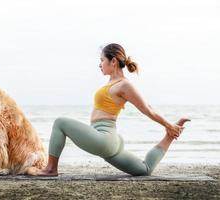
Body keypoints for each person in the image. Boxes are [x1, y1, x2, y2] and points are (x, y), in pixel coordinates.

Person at [36, 43, 190, 176]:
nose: (100, 64)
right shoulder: (111, 82)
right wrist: (170, 132)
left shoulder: (124, 85)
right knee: (144, 170)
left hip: (104, 138)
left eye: (102, 60)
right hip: (108, 140)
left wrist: (168, 124)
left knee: (60, 123)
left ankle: (50, 169)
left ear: (113, 61)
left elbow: (147, 109)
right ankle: (169, 137)